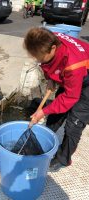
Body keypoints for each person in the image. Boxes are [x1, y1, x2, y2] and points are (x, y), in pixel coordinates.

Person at [24, 27, 89, 171]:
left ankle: (63, 158)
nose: (38, 60)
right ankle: (44, 138)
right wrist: (50, 79)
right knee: (56, 112)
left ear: (53, 48)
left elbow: (71, 97)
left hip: (86, 81)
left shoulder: (73, 64)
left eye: (40, 57)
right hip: (71, 76)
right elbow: (48, 64)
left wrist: (42, 112)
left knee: (74, 124)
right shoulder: (49, 38)